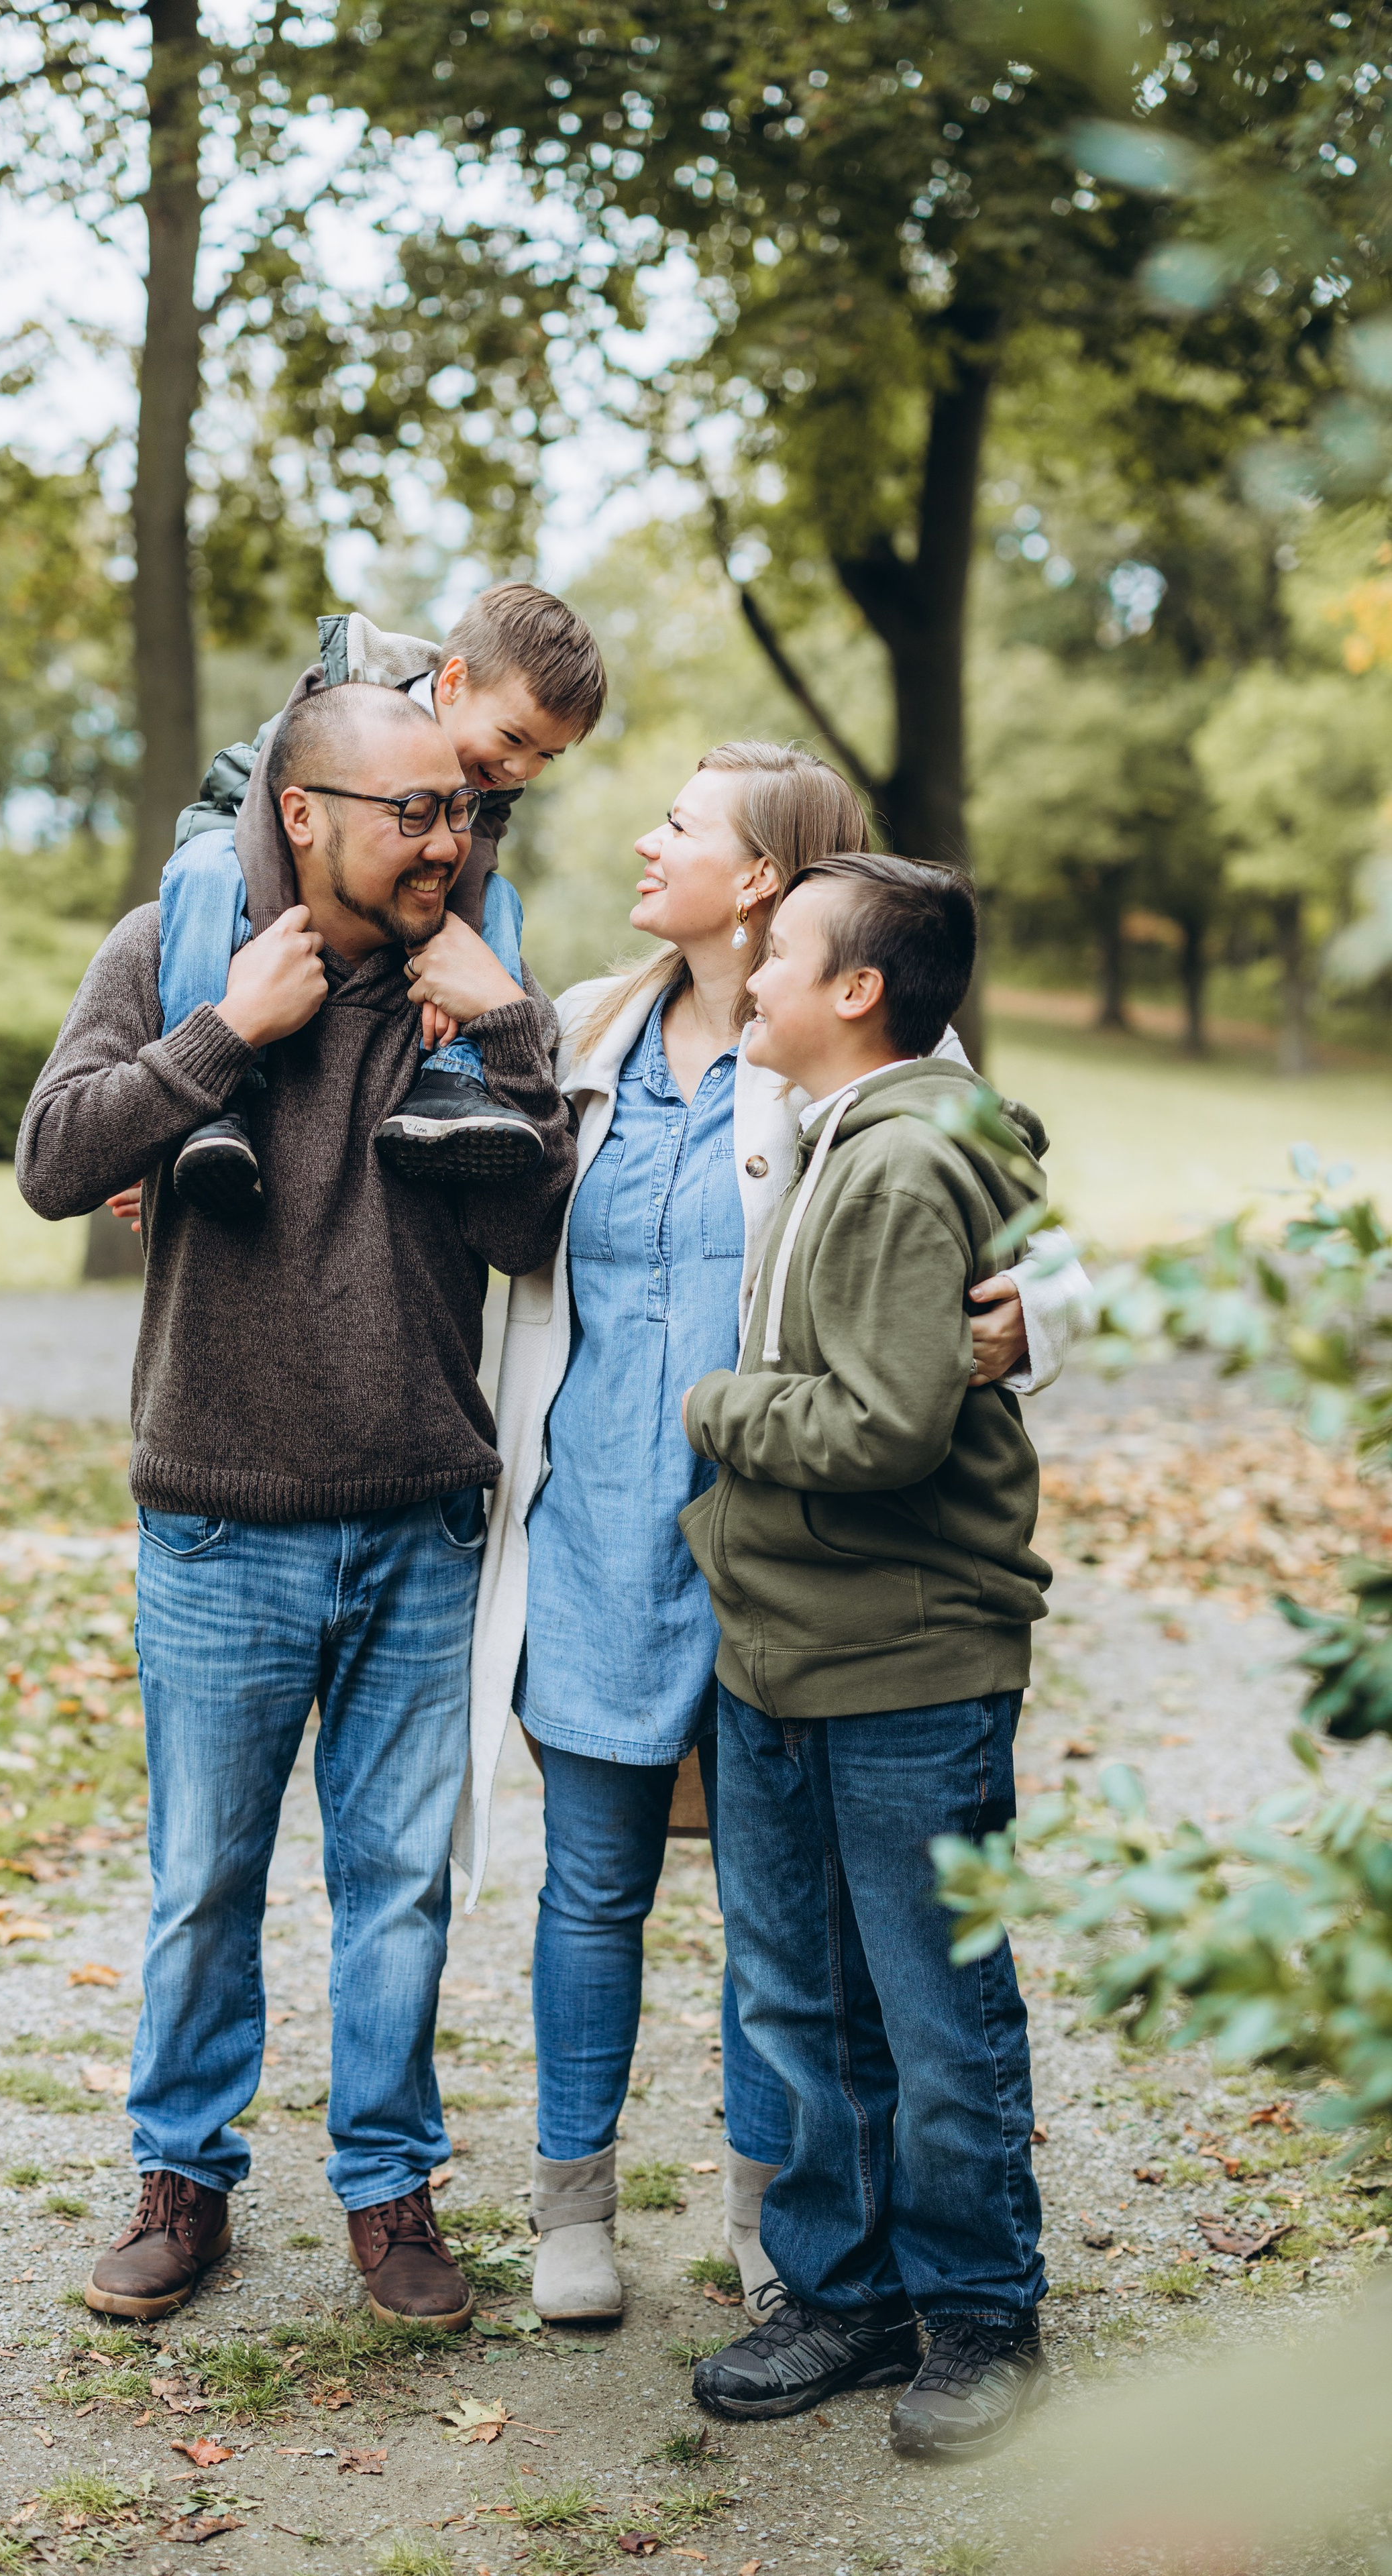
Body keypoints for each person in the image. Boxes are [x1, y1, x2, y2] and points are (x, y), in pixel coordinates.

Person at [422, 743, 1087, 2327]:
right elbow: (419, 1153)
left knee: (775, 1913)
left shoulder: (842, 1055)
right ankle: (569, 2208)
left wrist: (1022, 1327)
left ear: (765, 885)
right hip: (589, 1522)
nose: (646, 840)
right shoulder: (582, 1024)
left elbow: (1041, 1246)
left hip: (779, 1544)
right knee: (591, 1885)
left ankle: (769, 2209)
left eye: (679, 824)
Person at [16, 681, 576, 2326]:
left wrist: (511, 1031)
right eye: (411, 810)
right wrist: (220, 1041)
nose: (448, 837)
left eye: (459, 810)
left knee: (396, 1882)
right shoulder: (171, 948)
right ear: (301, 810)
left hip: (419, 1508)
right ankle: (181, 2178)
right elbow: (54, 1158)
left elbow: (536, 1232)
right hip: (216, 1513)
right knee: (204, 1875)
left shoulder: (462, 973)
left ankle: (388, 2191)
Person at [679, 853, 1053, 2457]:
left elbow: (886, 1425)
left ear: (857, 993)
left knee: (932, 2003)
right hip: (778, 1645)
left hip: (903, 1658)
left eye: (780, 950)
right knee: (801, 1999)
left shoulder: (901, 1161)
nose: (746, 968)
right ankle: (839, 2289)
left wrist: (712, 1407)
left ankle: (978, 2313)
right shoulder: (835, 1130)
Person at [156, 586, 605, 1219]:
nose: (519, 770)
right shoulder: (348, 696)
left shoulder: (486, 769)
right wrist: (274, 937)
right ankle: (210, 1104)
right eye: (514, 738)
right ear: (452, 683)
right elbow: (266, 819)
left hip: (380, 907)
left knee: (498, 902)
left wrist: (445, 957)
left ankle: (454, 1077)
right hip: (242, 837)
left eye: (545, 757)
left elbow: (471, 863)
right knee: (203, 873)